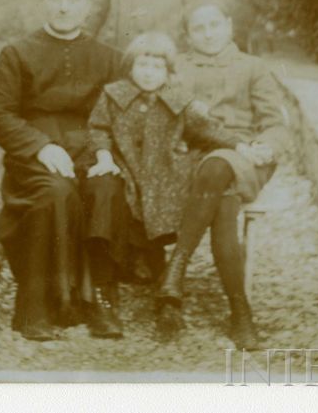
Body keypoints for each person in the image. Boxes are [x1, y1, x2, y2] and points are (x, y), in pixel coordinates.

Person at [0, 0, 127, 341]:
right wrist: (40, 146)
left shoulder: (110, 58)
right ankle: (36, 304)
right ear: (42, 1)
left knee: (106, 189)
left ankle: (99, 299)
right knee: (55, 193)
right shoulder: (16, 54)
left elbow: (123, 112)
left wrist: (106, 154)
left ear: (85, 5)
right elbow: (0, 115)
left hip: (92, 146)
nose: (64, 8)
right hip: (36, 150)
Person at [82, 32, 246, 329]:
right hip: (127, 167)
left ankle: (163, 279)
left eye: (157, 67)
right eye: (142, 65)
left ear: (168, 72)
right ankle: (125, 274)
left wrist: (239, 144)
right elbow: (98, 128)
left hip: (165, 172)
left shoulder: (178, 100)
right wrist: (104, 157)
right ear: (130, 67)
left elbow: (207, 130)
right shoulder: (114, 94)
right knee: (117, 194)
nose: (148, 73)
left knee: (175, 198)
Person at [155, 0, 292, 348]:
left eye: (214, 25)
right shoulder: (178, 69)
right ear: (187, 36)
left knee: (220, 167)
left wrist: (267, 147)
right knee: (222, 196)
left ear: (229, 26)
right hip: (192, 158)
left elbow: (276, 124)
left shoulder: (252, 67)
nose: (208, 34)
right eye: (198, 28)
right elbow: (174, 120)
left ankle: (176, 269)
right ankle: (240, 314)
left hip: (245, 157)